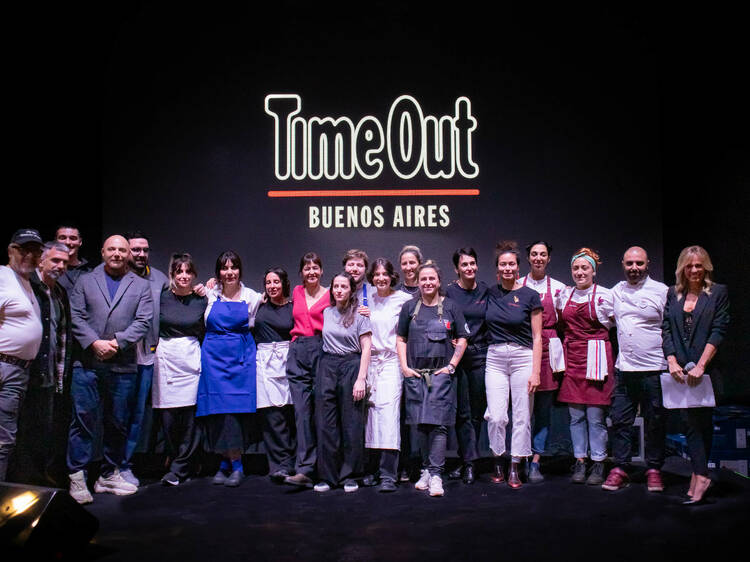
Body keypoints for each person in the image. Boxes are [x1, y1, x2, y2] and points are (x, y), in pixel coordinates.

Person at [67, 234, 153, 503]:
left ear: (129, 254)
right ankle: (77, 476)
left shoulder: (140, 285)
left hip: (122, 364)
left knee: (117, 423)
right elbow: (76, 316)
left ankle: (108, 474)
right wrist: (95, 343)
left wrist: (116, 343)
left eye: (122, 249)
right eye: (111, 249)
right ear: (102, 252)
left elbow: (143, 320)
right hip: (88, 364)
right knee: (83, 422)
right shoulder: (84, 280)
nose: (117, 253)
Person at [662, 245, 729, 504]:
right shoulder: (673, 294)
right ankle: (700, 473)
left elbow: (719, 330)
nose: (694, 270)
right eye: (689, 266)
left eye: (699, 265)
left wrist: (701, 365)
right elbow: (666, 328)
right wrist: (671, 361)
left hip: (707, 369)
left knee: (701, 421)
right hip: (680, 371)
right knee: (689, 421)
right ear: (682, 268)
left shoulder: (718, 293)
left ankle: (700, 474)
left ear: (706, 267)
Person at [397, 261, 468, 497]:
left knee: (438, 424)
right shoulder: (409, 308)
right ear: (418, 282)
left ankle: (436, 474)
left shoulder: (451, 307)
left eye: (432, 279)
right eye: (423, 279)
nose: (427, 283)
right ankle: (426, 470)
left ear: (438, 281)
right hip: (416, 375)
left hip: (440, 376)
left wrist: (451, 366)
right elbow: (401, 338)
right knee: (421, 424)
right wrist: (405, 367)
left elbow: (462, 338)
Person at [603, 246, 669, 492]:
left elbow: (669, 328)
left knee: (655, 420)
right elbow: (605, 315)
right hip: (625, 369)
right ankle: (620, 467)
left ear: (648, 263)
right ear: (622, 264)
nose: (634, 268)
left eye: (639, 263)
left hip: (655, 368)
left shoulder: (661, 291)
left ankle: (654, 469)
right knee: (620, 421)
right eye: (629, 263)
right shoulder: (616, 292)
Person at [196, 250, 262, 488]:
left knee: (234, 413)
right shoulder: (210, 295)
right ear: (218, 273)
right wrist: (202, 288)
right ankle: (225, 463)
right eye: (224, 268)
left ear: (240, 271)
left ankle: (237, 464)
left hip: (239, 359)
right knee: (217, 412)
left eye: (233, 267)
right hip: (213, 358)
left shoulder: (252, 297)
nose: (229, 272)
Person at [11, 241, 73, 487]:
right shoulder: (26, 287)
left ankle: (34, 485)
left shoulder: (59, 292)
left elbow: (61, 337)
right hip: (23, 373)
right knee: (17, 435)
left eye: (65, 263)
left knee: (42, 435)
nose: (60, 266)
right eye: (55, 260)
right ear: (41, 260)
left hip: (49, 377)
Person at [484, 241, 542, 488]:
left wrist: (536, 372)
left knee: (521, 415)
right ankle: (498, 458)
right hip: (495, 357)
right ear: (497, 269)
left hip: (523, 358)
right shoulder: (490, 293)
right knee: (496, 416)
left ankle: (516, 464)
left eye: (511, 264)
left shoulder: (530, 295)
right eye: (503, 264)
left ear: (518, 267)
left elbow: (538, 336)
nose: (507, 268)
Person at [557, 248, 615, 486]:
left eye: (584, 268)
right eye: (576, 268)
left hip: (597, 356)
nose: (580, 272)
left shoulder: (605, 295)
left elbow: (614, 325)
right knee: (576, 416)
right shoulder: (564, 294)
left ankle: (599, 461)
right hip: (573, 356)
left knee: (595, 415)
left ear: (593, 270)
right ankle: (580, 460)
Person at [313, 272, 372, 492]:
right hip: (327, 365)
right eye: (335, 286)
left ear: (351, 290)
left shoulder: (360, 314)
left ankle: (350, 475)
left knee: (351, 423)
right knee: (326, 423)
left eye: (343, 287)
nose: (339, 290)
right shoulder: (326, 312)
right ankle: (327, 476)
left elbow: (366, 347)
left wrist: (361, 379)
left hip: (351, 365)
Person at [152, 253, 207, 486]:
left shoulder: (202, 300)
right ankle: (177, 460)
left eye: (188, 272)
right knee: (168, 417)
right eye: (179, 272)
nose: (184, 276)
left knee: (190, 419)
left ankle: (179, 468)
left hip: (190, 358)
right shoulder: (162, 297)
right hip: (166, 359)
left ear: (194, 275)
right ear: (172, 274)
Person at [121, 231, 169, 487]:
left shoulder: (160, 278)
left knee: (138, 414)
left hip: (148, 355)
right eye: (135, 249)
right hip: (119, 355)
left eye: (144, 250)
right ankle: (110, 466)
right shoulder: (115, 276)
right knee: (118, 413)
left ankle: (125, 465)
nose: (140, 254)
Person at [361, 259, 412, 492]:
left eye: (385, 274)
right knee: (369, 417)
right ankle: (370, 470)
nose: (381, 278)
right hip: (369, 361)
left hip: (391, 362)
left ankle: (388, 474)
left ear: (392, 276)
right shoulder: (365, 298)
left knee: (388, 415)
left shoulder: (403, 300)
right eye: (376, 274)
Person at [520, 241, 566, 482]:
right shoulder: (518, 285)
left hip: (548, 347)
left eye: (543, 254)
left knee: (543, 409)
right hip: (522, 347)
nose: (538, 258)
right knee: (522, 409)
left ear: (549, 259)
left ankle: (536, 460)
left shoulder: (559, 288)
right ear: (528, 258)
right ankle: (520, 455)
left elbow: (564, 321)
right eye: (534, 254)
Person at [0, 229, 44, 481]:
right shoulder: (3, 276)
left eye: (35, 251)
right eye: (23, 249)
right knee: (3, 442)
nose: (30, 255)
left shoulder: (26, 282)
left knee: (7, 440)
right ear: (11, 250)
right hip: (4, 367)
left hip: (18, 370)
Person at [284, 252, 329, 487]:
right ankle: (304, 469)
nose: (311, 271)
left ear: (321, 271)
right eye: (307, 268)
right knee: (302, 413)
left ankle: (324, 468)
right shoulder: (297, 292)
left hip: (322, 350)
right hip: (298, 351)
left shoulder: (331, 294)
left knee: (322, 412)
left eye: (315, 267)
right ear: (301, 272)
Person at [445, 247, 489, 484]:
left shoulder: (485, 290)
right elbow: (443, 319)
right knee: (462, 412)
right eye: (464, 265)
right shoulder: (450, 292)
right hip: (459, 358)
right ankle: (466, 462)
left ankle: (470, 462)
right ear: (457, 269)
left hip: (481, 356)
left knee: (476, 412)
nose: (469, 268)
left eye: (472, 263)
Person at [253, 267, 296, 483]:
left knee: (289, 414)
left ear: (284, 283)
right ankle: (278, 465)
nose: (272, 286)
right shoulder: (258, 304)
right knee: (271, 417)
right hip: (264, 362)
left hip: (287, 361)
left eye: (276, 282)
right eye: (268, 282)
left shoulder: (293, 307)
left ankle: (291, 463)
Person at [394, 244, 422, 481]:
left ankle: (423, 464)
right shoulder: (395, 294)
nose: (409, 267)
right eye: (404, 263)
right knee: (403, 414)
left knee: (423, 414)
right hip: (402, 360)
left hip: (427, 358)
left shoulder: (430, 290)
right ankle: (404, 464)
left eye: (412, 262)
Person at [55, 224, 93, 294]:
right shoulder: (48, 270)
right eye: (63, 238)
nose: (67, 242)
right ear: (55, 240)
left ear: (80, 242)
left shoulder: (90, 272)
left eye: (72, 238)